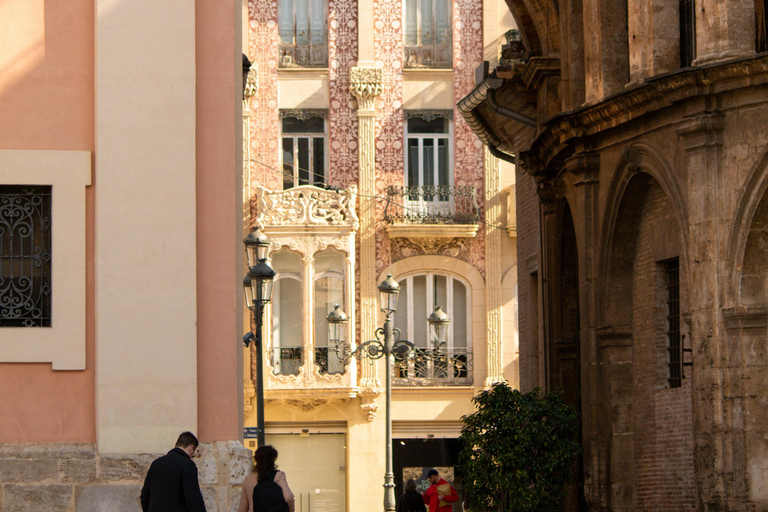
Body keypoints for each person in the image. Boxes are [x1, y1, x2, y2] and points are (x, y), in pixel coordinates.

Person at [140, 431, 207, 512]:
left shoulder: (156, 463)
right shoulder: (187, 464)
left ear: (176, 444)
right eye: (193, 453)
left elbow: (145, 496)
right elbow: (193, 498)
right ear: (191, 448)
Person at [237, 445, 295, 512]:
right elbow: (288, 497)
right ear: (273, 460)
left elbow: (242, 508)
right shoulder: (278, 476)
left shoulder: (248, 480)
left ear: (256, 460)